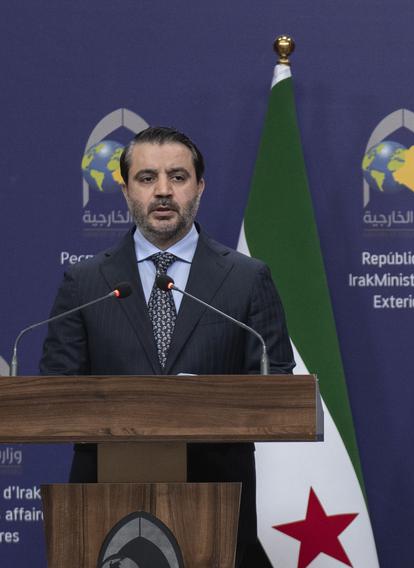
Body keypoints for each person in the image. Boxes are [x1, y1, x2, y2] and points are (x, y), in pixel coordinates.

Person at [40, 126, 293, 567]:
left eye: (177, 177)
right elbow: (56, 394)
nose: (162, 191)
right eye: (146, 178)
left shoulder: (248, 278)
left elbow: (275, 388)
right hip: (106, 501)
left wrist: (196, 402)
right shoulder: (84, 283)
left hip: (216, 500)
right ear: (125, 191)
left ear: (200, 187)